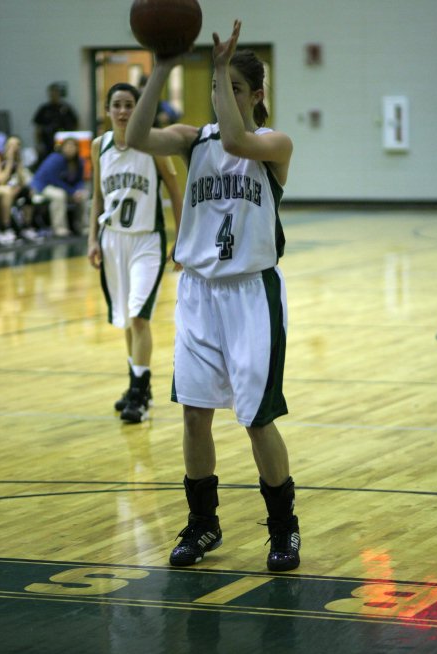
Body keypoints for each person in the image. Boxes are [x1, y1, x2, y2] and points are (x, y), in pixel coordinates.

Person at [125, 21, 300, 572]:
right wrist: (161, 68)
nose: (221, 97)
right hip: (200, 292)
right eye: (217, 90)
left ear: (256, 96)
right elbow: (134, 137)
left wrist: (220, 66)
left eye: (231, 89)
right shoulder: (189, 139)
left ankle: (283, 530)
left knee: (256, 418)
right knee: (195, 414)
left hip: (253, 295)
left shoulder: (272, 145)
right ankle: (203, 524)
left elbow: (235, 139)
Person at [88, 82, 183, 423]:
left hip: (147, 240)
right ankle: (137, 384)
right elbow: (96, 198)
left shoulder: (153, 144)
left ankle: (139, 395)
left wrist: (181, 237)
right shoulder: (100, 146)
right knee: (127, 318)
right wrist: (92, 239)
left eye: (130, 104)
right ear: (108, 110)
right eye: (117, 105)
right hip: (112, 239)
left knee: (139, 316)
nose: (124, 111)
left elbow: (174, 187)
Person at [31, 137, 89, 236]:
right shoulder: (55, 159)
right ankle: (59, 228)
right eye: (68, 146)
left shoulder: (79, 162)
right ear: (62, 147)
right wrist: (72, 192)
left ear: (77, 149)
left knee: (84, 195)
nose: (70, 149)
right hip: (44, 185)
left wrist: (78, 190)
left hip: (65, 188)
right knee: (59, 195)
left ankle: (84, 227)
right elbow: (54, 180)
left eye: (73, 146)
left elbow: (79, 180)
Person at [0, 135, 37, 244]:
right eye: (11, 145)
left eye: (17, 145)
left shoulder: (18, 161)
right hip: (4, 189)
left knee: (27, 191)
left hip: (12, 189)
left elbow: (22, 182)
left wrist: (19, 163)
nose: (14, 148)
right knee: (7, 192)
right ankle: (5, 228)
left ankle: (27, 226)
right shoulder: (1, 158)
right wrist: (10, 161)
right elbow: (2, 180)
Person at [32, 83, 79, 166]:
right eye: (52, 93)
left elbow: (76, 123)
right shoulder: (44, 109)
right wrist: (38, 144)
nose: (54, 95)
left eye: (56, 92)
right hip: (47, 143)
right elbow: (38, 128)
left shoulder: (66, 108)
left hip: (63, 142)